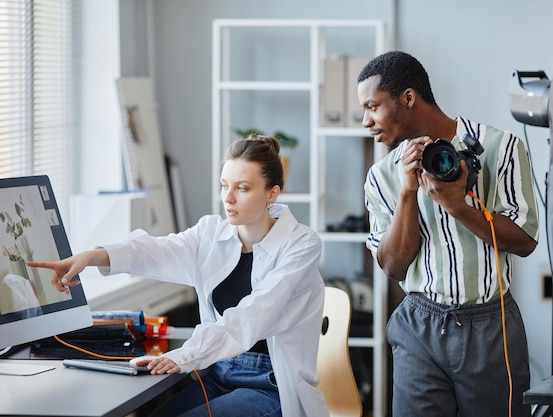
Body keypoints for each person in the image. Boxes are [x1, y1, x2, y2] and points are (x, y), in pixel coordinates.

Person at [29, 135, 331, 417]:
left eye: (242, 188)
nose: (228, 198)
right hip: (218, 372)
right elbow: (156, 250)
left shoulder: (301, 245)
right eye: (224, 185)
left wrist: (186, 355)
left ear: (272, 194)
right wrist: (91, 256)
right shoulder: (211, 232)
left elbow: (254, 315)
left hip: (272, 385)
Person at [357, 51, 539, 417]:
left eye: (372, 107)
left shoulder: (500, 148)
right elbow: (393, 266)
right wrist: (407, 193)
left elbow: (524, 241)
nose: (366, 122)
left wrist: (458, 206)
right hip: (418, 326)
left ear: (407, 98)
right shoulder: (381, 177)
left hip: (491, 327)